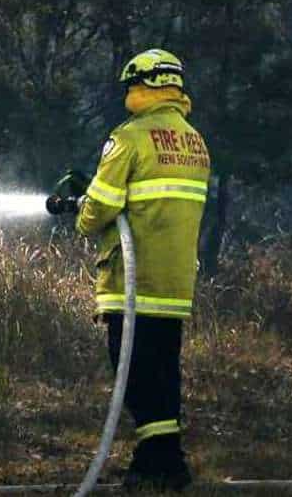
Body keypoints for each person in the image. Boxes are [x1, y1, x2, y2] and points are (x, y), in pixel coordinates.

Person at [75, 48, 210, 491]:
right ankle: (163, 460)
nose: (128, 93)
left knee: (131, 374)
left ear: (146, 85)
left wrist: (80, 209)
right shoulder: (194, 141)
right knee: (163, 372)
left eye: (131, 85)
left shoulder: (129, 138)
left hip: (132, 283)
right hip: (174, 285)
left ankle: (159, 458)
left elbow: (100, 208)